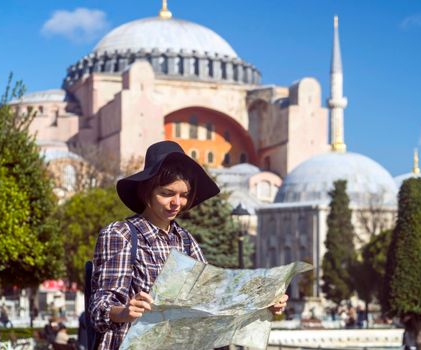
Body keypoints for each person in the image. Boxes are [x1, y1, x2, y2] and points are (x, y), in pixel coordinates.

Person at [90, 141, 288, 349]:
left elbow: (215, 296)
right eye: (167, 193)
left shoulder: (185, 240)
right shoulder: (121, 234)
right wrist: (123, 312)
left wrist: (263, 302)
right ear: (146, 191)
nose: (177, 203)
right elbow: (99, 308)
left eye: (184, 195)